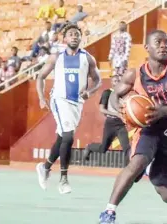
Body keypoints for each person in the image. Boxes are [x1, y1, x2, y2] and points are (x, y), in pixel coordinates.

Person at [98, 29, 167, 224]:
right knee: (136, 163)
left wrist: (165, 110)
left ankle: (151, 168)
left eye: (166, 42)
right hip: (148, 129)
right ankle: (108, 212)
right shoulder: (135, 74)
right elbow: (114, 95)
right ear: (147, 48)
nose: (163, 45)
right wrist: (121, 109)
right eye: (158, 42)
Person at [35, 24, 101, 194]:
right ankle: (63, 179)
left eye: (77, 34)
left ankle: (45, 167)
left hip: (77, 103)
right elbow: (40, 77)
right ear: (64, 39)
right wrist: (42, 98)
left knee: (62, 138)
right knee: (69, 136)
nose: (74, 37)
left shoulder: (87, 58)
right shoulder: (56, 57)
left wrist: (89, 91)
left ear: (81, 38)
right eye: (71, 34)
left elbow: (97, 80)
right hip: (59, 100)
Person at [83, 76, 130, 163]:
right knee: (103, 148)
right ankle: (89, 147)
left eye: (119, 81)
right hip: (110, 123)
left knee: (127, 147)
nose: (117, 82)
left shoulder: (123, 94)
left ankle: (129, 170)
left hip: (120, 124)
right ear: (111, 83)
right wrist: (116, 114)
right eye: (115, 81)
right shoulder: (107, 93)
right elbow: (102, 109)